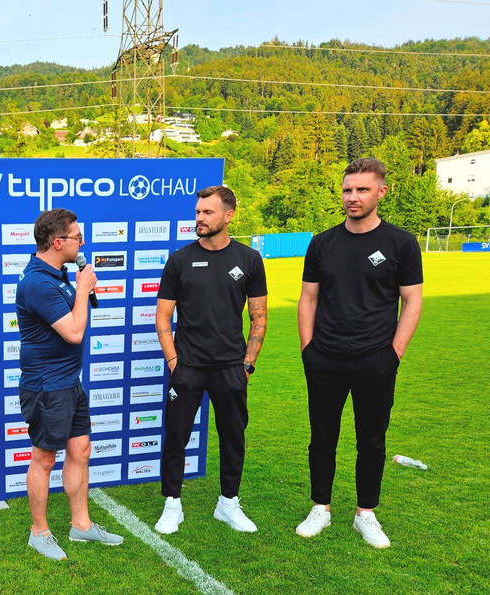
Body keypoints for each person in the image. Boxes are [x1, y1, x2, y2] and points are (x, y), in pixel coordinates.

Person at [295, 157, 423, 548]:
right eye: (348, 189)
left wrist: (394, 353)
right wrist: (308, 349)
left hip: (375, 359)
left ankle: (365, 514)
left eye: (362, 189)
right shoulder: (322, 242)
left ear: (381, 192)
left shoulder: (401, 242)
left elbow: (412, 301)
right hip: (326, 358)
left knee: (372, 440)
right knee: (322, 437)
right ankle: (321, 507)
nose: (353, 197)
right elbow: (308, 298)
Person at [152, 186, 268, 535]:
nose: (199, 218)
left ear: (229, 215)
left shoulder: (249, 259)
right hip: (188, 367)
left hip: (231, 369)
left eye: (207, 212)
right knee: (176, 438)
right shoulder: (180, 259)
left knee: (233, 437)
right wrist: (175, 362)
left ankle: (228, 503)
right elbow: (162, 318)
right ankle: (172, 504)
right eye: (198, 212)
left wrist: (247, 364)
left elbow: (259, 317)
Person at [16, 207, 124, 560]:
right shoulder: (37, 282)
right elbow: (74, 332)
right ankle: (39, 532)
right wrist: (83, 289)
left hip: (68, 383)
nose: (82, 242)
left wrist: (78, 287)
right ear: (58, 241)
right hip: (47, 387)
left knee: (80, 452)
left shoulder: (57, 274)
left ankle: (81, 526)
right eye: (78, 237)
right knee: (44, 459)